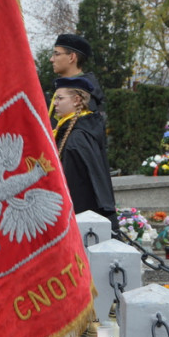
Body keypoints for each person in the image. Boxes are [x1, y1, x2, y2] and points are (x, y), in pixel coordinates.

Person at [50, 75, 116, 226]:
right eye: (55, 98)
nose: (55, 103)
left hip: (81, 216)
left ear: (77, 100)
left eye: (60, 98)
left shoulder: (78, 137)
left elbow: (76, 186)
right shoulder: (73, 129)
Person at [47, 33, 105, 122]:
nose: (51, 59)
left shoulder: (85, 95)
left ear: (72, 57)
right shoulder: (66, 88)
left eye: (57, 54)